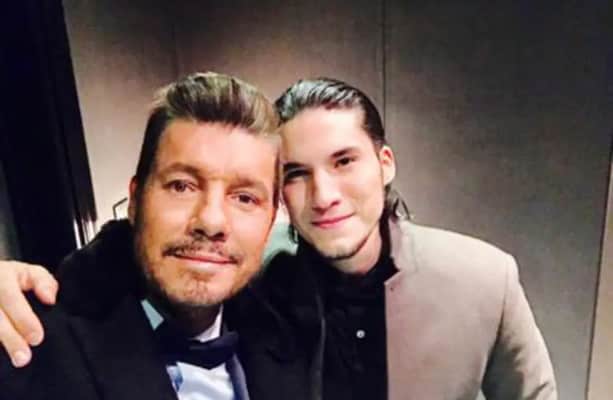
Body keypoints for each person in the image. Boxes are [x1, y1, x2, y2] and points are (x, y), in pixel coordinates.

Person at [0, 77, 557, 400]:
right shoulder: (264, 285)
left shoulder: (484, 278)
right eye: (182, 185)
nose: (325, 194)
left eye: (344, 161)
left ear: (385, 163)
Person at [0, 71, 281, 400]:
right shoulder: (27, 344)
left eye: (244, 198)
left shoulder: (290, 340)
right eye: (182, 186)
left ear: (271, 220)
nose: (211, 221)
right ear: (134, 201)